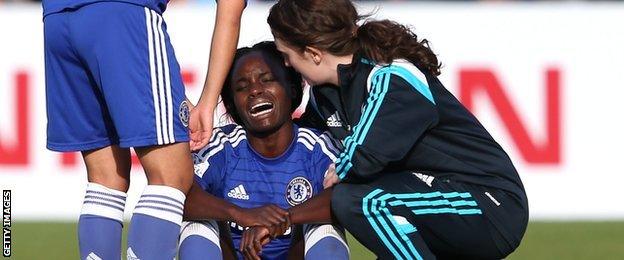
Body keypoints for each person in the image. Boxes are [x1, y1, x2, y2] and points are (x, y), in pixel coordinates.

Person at [258, 0, 530, 259]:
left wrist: (339, 170)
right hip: (429, 197)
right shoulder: (324, 96)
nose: (286, 64)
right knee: (357, 199)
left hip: (489, 204)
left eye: (286, 55)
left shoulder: (391, 75)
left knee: (359, 201)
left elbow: (363, 157)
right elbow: (302, 150)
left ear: (313, 53)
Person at [42, 0, 245, 259]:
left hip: (57, 20)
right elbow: (232, 6)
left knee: (106, 180)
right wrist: (208, 101)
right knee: (172, 177)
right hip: (123, 13)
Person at [178, 42, 349, 260]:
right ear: (231, 106)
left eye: (267, 80)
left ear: (293, 89)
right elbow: (180, 194)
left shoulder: (316, 146)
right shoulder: (223, 145)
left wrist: (284, 219)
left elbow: (347, 195)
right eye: (241, 87)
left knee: (325, 230)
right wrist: (240, 215)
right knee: (197, 227)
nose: (255, 90)